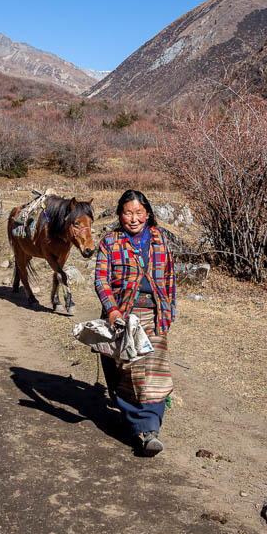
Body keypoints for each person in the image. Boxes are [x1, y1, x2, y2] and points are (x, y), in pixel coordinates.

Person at [93, 189, 176, 456]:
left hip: (155, 314)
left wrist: (169, 309)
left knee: (154, 372)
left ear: (148, 214)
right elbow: (101, 280)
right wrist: (112, 311)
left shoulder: (159, 239)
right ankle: (136, 425)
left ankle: (149, 430)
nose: (134, 218)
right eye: (128, 213)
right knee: (129, 370)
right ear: (119, 215)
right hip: (124, 316)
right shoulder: (110, 242)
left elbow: (169, 278)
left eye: (139, 212)